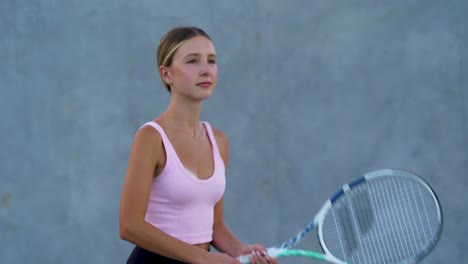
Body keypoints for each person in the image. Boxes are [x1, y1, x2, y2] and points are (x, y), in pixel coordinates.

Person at [119, 26, 279, 264]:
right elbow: (129, 225)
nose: (206, 70)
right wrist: (202, 259)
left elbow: (213, 224)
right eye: (192, 61)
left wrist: (239, 250)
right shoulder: (152, 138)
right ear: (166, 74)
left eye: (211, 61)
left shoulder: (218, 141)